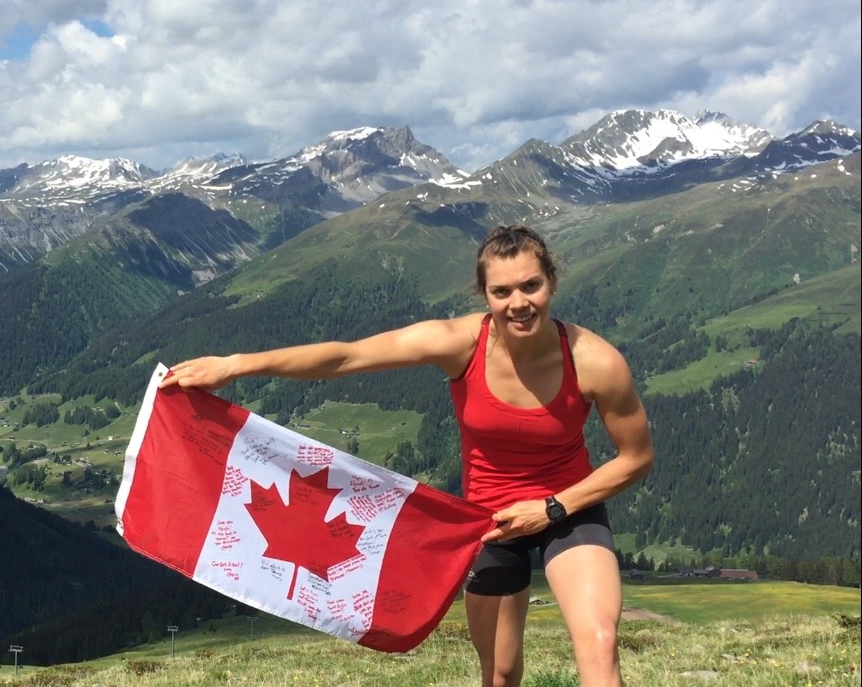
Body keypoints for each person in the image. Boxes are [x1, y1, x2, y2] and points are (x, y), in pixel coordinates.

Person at [161, 224, 654, 687]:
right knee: (501, 674)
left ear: (552, 282)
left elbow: (636, 457)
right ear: (484, 295)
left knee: (600, 642)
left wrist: (551, 507)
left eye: (531, 286)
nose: (519, 304)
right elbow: (348, 356)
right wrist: (236, 365)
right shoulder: (460, 343)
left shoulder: (595, 361)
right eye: (502, 292)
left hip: (568, 508)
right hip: (489, 522)